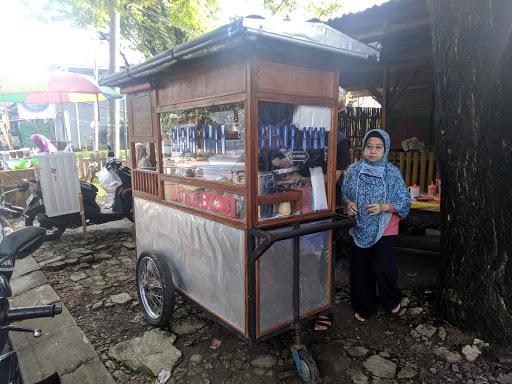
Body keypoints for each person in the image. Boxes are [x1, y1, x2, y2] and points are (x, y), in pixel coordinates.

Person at [342, 129, 410, 322]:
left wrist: (383, 207)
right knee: (360, 269)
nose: (373, 151)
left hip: (385, 227)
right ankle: (365, 307)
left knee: (383, 268)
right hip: (359, 226)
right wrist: (348, 203)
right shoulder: (354, 170)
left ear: (385, 149)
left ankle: (391, 299)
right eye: (369, 147)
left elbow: (404, 201)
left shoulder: (392, 173)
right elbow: (344, 193)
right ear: (363, 149)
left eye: (378, 147)